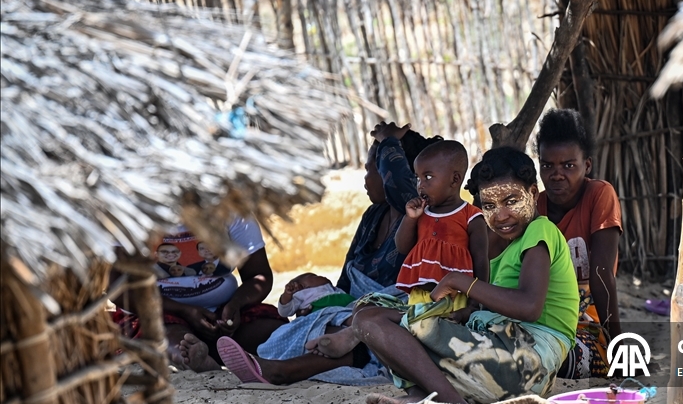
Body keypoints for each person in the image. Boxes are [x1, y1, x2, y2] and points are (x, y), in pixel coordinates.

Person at [353, 146, 580, 404]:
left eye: (511, 201)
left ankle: (450, 403)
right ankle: (429, 397)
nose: (501, 215)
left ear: (533, 193)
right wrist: (461, 312)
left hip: (527, 366)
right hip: (496, 356)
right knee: (370, 317)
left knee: (413, 323)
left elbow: (529, 307)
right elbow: (487, 308)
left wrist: (461, 282)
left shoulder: (540, 229)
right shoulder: (497, 246)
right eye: (489, 206)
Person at [215, 121, 440, 385]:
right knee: (318, 324)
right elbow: (346, 282)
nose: (365, 179)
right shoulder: (373, 217)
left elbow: (403, 190)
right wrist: (321, 297)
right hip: (351, 313)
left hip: (391, 315)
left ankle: (282, 371)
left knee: (365, 329)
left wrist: (389, 141)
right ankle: (235, 364)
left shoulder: (419, 217)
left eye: (371, 169)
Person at [112, 218, 285, 372]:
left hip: (221, 312)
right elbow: (116, 288)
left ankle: (207, 350)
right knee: (170, 336)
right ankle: (193, 355)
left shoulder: (234, 213)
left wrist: (236, 305)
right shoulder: (129, 212)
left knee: (273, 330)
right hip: (157, 311)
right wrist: (183, 310)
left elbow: (258, 276)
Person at [536, 108, 622, 378]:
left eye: (568, 166)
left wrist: (618, 346)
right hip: (545, 322)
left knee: (560, 361)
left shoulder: (599, 195)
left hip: (589, 325)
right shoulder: (535, 207)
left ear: (587, 165)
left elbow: (601, 274)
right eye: (547, 165)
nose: (556, 174)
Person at [394, 140, 488, 311]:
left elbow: (481, 261)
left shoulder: (471, 217)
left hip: (456, 300)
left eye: (428, 177)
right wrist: (410, 219)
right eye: (418, 178)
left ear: (455, 179)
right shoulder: (422, 213)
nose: (420, 185)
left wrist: (475, 303)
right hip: (419, 298)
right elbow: (402, 247)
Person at [276, 272, 354, 318]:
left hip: (344, 307)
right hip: (320, 312)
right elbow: (284, 312)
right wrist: (287, 295)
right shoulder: (300, 294)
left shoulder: (332, 289)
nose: (296, 285)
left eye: (314, 276)